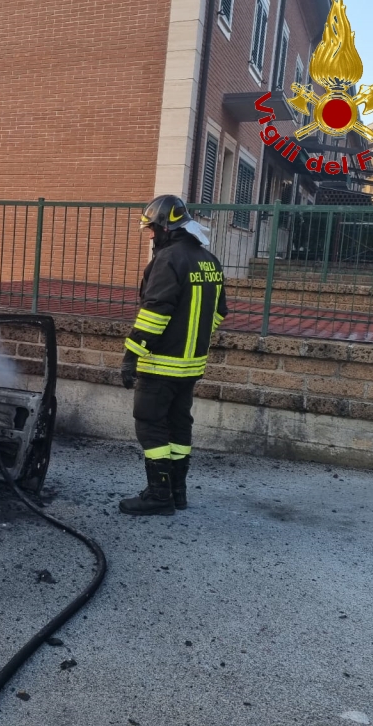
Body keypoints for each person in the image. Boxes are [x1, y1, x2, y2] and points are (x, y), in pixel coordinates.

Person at [118, 194, 227, 516]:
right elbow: (218, 312)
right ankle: (177, 492)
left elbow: (156, 312)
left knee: (150, 424)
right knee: (179, 426)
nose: (150, 235)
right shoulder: (208, 260)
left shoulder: (167, 260)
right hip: (191, 365)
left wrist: (131, 354)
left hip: (160, 364)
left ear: (166, 226)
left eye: (152, 229)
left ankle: (159, 495)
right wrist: (191, 341)